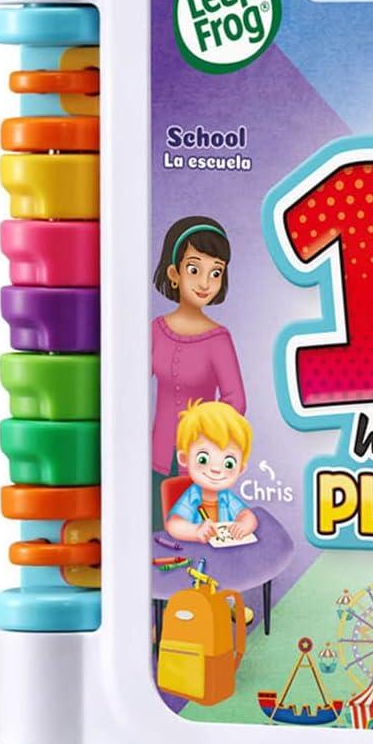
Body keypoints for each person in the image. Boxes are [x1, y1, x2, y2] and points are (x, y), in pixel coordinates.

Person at [151, 217, 245, 493]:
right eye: (194, 269)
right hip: (155, 454)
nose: (205, 282)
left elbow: (236, 400)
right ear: (174, 273)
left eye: (215, 273)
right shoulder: (155, 331)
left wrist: (208, 436)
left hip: (202, 462)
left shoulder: (218, 339)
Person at [165, 399, 258, 543]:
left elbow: (248, 516)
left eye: (228, 463)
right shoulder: (192, 497)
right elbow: (173, 525)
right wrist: (195, 532)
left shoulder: (226, 497)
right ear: (184, 458)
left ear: (240, 469)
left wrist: (243, 526)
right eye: (203, 459)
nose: (215, 469)